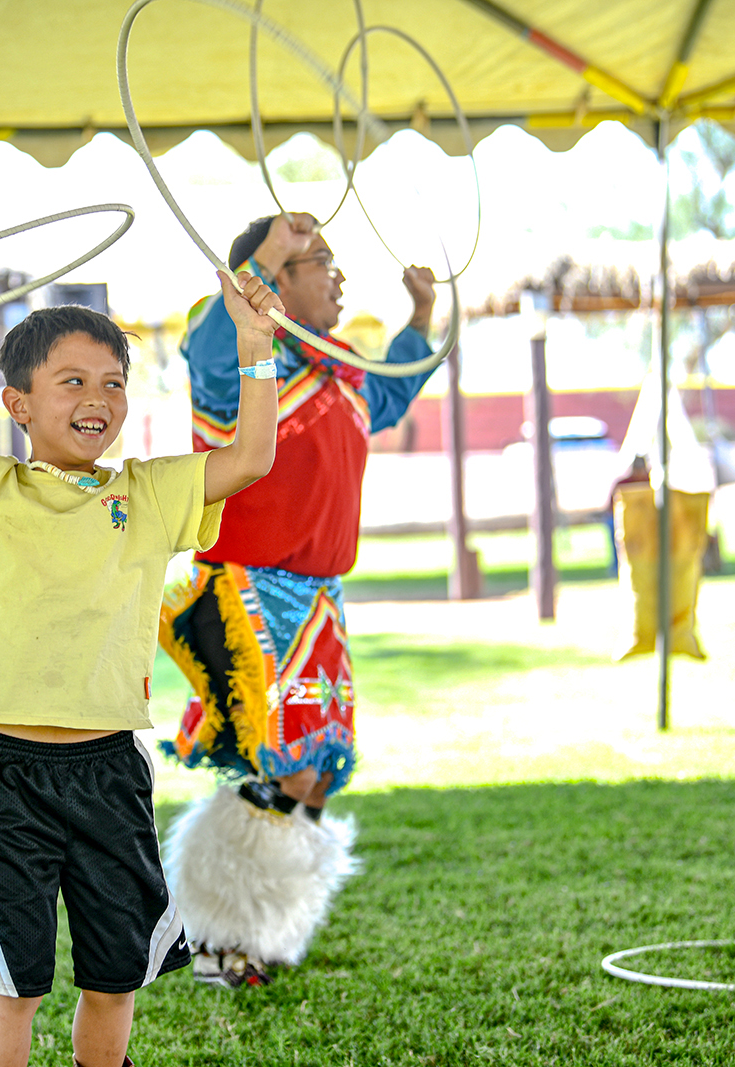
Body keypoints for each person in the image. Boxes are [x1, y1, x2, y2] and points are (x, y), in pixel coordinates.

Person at [0, 263, 282, 1067]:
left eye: (112, 381)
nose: (96, 397)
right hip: (8, 772)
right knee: (14, 980)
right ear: (19, 402)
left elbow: (250, 456)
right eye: (72, 381)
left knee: (114, 977)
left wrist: (255, 344)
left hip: (110, 768)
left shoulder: (148, 493)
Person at [157, 212, 442, 988]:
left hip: (318, 594)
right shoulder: (245, 364)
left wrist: (420, 319)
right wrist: (267, 253)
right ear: (275, 278)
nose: (338, 276)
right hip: (253, 588)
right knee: (278, 763)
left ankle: (271, 928)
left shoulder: (339, 367)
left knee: (314, 767)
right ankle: (217, 937)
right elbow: (213, 348)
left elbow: (389, 395)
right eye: (319, 262)